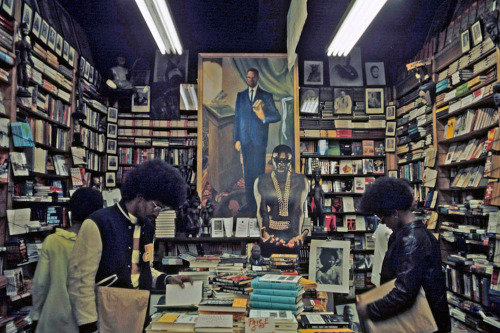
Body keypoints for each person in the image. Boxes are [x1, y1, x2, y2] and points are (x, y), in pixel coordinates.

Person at [67, 160, 193, 333]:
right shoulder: (98, 223)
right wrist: (89, 326)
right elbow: (80, 281)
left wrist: (167, 279)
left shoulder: (147, 227)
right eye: (157, 206)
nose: (157, 212)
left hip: (137, 314)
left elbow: (142, 268)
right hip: (105, 319)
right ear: (140, 197)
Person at [356, 177, 450, 332]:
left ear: (395, 213)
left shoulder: (412, 240)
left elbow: (403, 292)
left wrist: (369, 309)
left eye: (383, 218)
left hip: (424, 324)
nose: (383, 223)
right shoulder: (405, 235)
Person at [31, 188, 104, 333]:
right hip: (84, 320)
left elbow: (40, 284)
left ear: (70, 212)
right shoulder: (99, 243)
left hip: (52, 319)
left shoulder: (52, 241)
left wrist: (35, 315)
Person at [234, 68, 281, 213]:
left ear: (257, 78)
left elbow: (277, 116)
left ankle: (259, 204)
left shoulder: (266, 96)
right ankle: (249, 203)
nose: (250, 80)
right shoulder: (240, 96)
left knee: (259, 174)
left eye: (253, 77)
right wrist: (237, 139)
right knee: (248, 173)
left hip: (259, 141)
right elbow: (237, 118)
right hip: (245, 140)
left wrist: (263, 117)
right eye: (248, 77)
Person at [254, 145, 309, 256]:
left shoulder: (301, 181)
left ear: (290, 161)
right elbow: (260, 211)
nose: (281, 164)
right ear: (272, 160)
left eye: (285, 161)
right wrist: (263, 233)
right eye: (277, 160)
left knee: (292, 268)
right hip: (269, 235)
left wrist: (301, 234)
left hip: (292, 234)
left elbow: (302, 210)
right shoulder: (261, 181)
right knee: (268, 267)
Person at [15, 23, 34, 97]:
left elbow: (29, 55)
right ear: (21, 30)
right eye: (24, 29)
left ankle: (25, 88)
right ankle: (20, 87)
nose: (26, 31)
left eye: (27, 29)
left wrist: (31, 62)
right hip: (20, 62)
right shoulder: (19, 43)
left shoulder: (27, 44)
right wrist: (18, 59)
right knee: (20, 75)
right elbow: (17, 52)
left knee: (26, 76)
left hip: (25, 62)